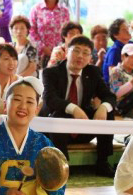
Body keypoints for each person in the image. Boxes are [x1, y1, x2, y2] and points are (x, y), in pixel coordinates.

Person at [40, 35, 117, 177]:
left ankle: (103, 162)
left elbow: (110, 96)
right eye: (76, 51)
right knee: (59, 115)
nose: (80, 56)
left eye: (86, 53)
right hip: (55, 130)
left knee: (108, 112)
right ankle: (62, 166)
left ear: (90, 58)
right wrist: (73, 108)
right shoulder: (50, 72)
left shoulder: (93, 72)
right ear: (66, 51)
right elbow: (50, 100)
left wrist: (103, 107)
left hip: (82, 126)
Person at [29, 0, 70, 68]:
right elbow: (31, 31)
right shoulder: (36, 9)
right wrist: (43, 48)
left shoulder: (64, 11)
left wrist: (62, 49)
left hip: (60, 53)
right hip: (40, 53)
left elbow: (67, 32)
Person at [108, 43, 133, 119]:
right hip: (123, 108)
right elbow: (116, 93)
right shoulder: (116, 71)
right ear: (123, 57)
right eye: (132, 57)